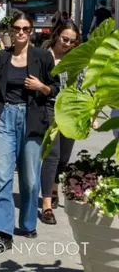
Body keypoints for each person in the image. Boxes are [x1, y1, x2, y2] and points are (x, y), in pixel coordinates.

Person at [0, 11, 60, 253]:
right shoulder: (0, 58)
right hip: (5, 117)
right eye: (17, 28)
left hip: (32, 119)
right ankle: (2, 231)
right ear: (11, 30)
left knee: (29, 179)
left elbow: (55, 88)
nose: (21, 33)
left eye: (26, 29)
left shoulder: (42, 58)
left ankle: (27, 223)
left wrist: (42, 86)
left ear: (31, 32)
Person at [39, 21, 81, 225]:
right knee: (52, 156)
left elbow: (83, 86)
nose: (68, 44)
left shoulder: (76, 59)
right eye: (65, 39)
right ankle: (46, 205)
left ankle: (54, 190)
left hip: (71, 111)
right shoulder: (43, 55)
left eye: (72, 41)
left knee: (64, 157)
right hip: (49, 109)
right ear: (56, 36)